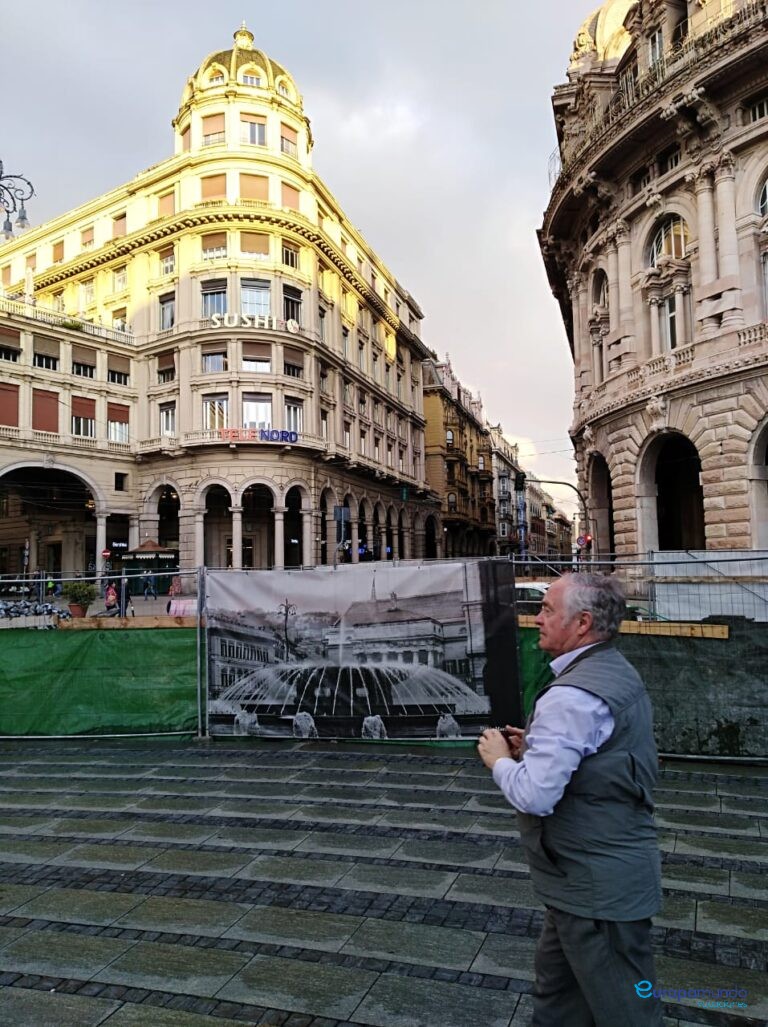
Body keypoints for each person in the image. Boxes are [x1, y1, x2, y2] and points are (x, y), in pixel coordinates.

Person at [478, 573, 662, 1026]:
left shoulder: (572, 695)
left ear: (582, 623)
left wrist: (499, 761)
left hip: (596, 886)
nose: (536, 618)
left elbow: (535, 795)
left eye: (547, 610)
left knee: (626, 1007)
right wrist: (537, 745)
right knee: (557, 998)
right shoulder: (611, 668)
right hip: (587, 879)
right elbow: (599, 751)